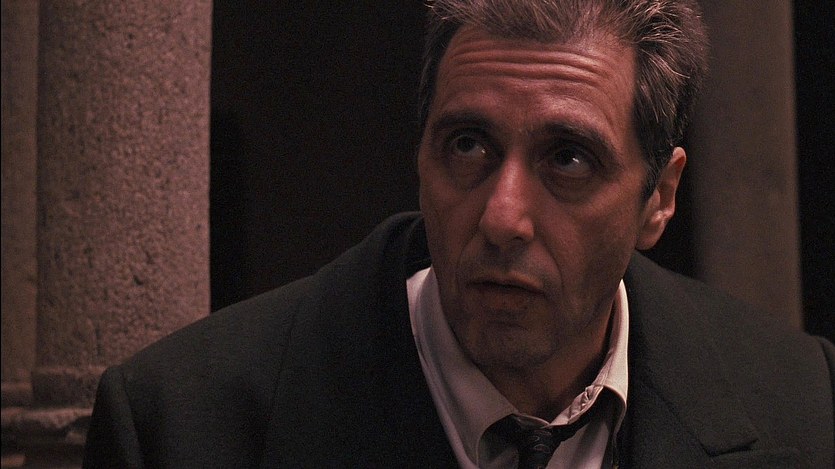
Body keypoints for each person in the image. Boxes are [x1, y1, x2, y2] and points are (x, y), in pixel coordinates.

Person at [83, 0, 834, 467]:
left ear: (658, 198)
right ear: (420, 155)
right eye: (468, 145)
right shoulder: (181, 427)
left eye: (568, 158)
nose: (502, 218)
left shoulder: (802, 404)